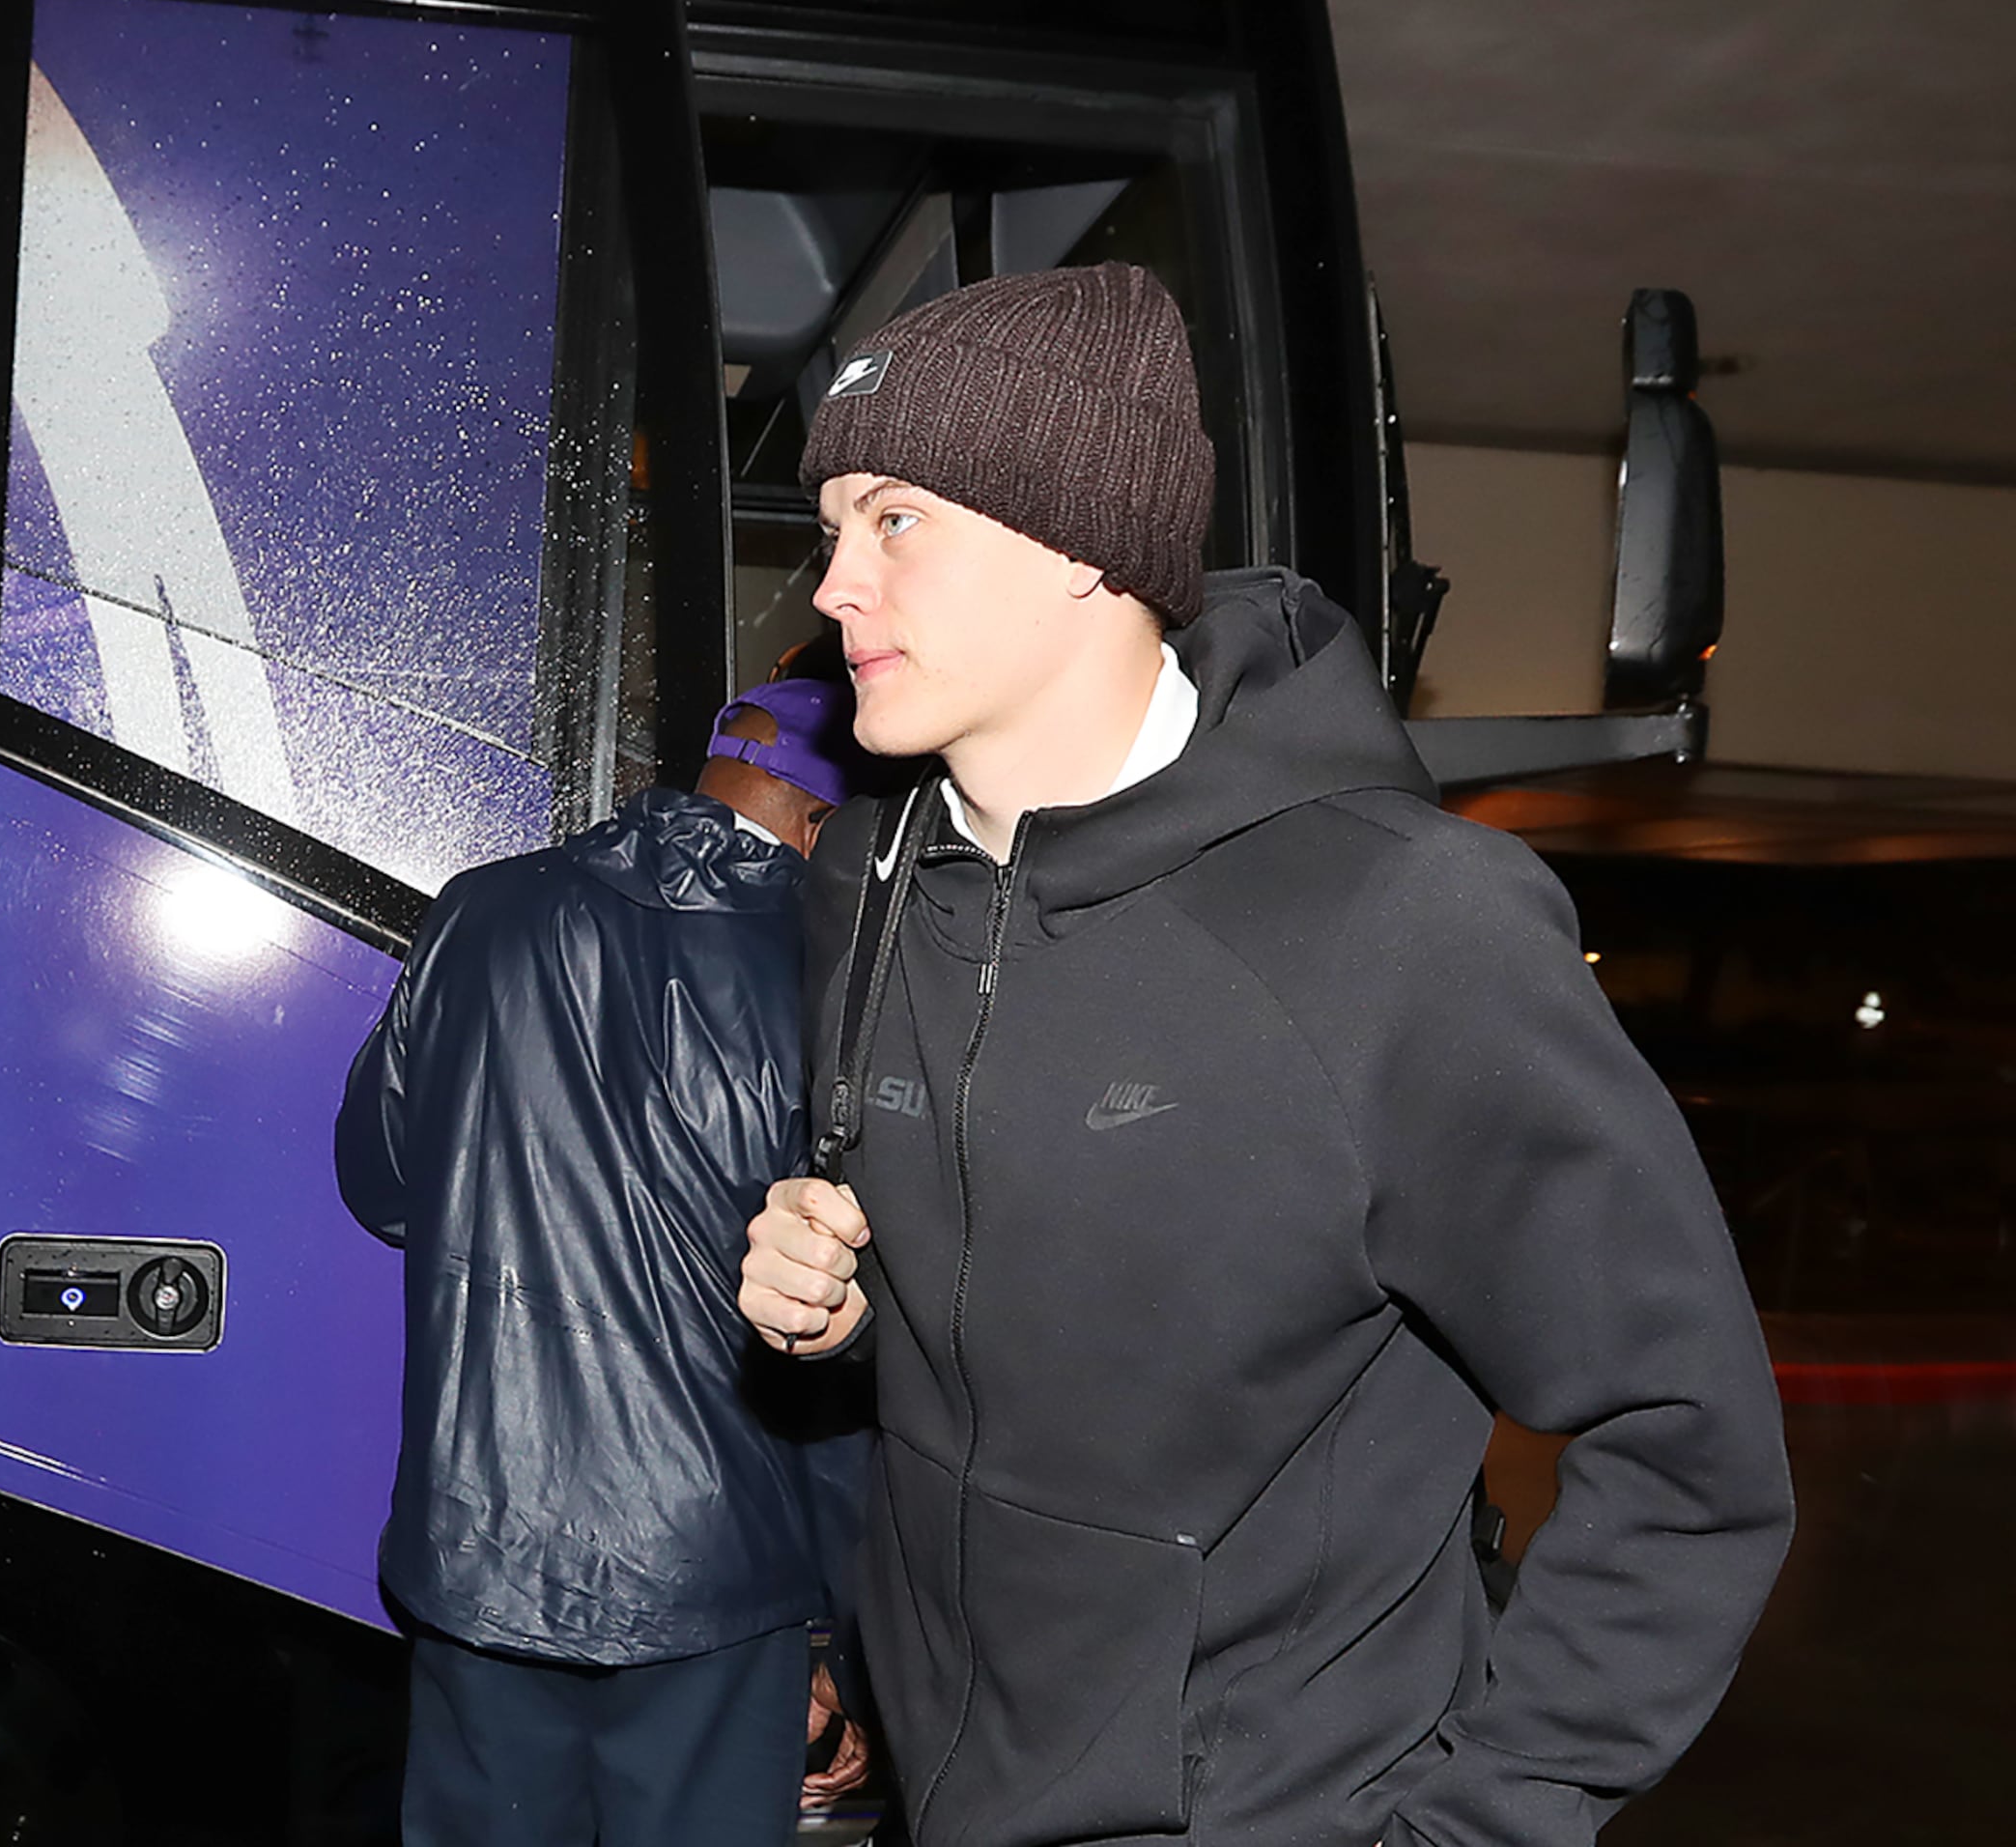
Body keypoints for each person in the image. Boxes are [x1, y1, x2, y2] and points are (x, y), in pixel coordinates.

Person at [735, 263, 1792, 1847]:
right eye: (831, 530)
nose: (834, 586)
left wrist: (1486, 1825)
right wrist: (835, 1320)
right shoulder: (870, 880)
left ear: (1084, 538)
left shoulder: (1405, 924)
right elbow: (1005, 1333)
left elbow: (1690, 1442)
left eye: (894, 520)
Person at [337, 681, 878, 1847]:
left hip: (479, 1548)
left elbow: (379, 1184)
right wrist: (853, 1640)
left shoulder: (480, 911)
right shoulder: (829, 975)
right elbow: (832, 1341)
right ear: (823, 825)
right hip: (720, 1578)